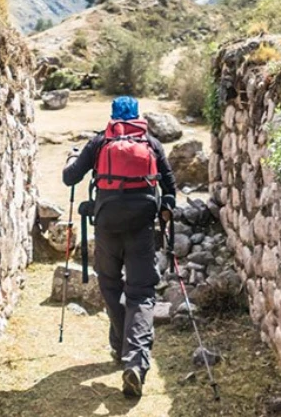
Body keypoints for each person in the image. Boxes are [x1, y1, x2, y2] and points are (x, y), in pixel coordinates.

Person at [62, 96, 177, 398]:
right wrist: (166, 204)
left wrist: (71, 159)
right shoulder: (150, 142)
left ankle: (120, 347)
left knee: (110, 285)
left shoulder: (99, 142)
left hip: (106, 225)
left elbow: (69, 178)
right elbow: (169, 182)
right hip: (141, 227)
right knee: (141, 293)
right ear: (138, 116)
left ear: (112, 116)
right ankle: (135, 362)